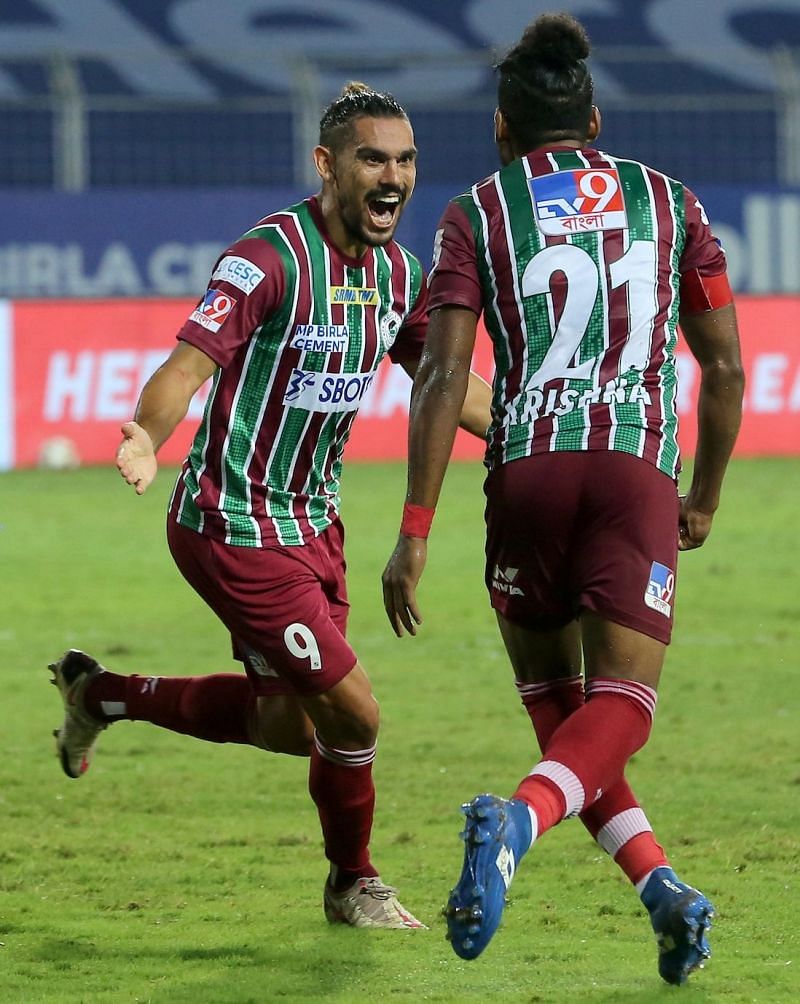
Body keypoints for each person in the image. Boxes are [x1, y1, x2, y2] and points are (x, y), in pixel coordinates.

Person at [49, 82, 491, 930]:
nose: (391, 176)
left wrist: (526, 427)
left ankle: (101, 695)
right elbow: (185, 368)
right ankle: (352, 884)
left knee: (291, 726)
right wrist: (145, 433)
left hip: (315, 527)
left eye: (404, 160)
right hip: (233, 525)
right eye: (371, 158)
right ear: (327, 165)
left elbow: (441, 380)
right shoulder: (269, 260)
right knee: (354, 710)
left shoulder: (401, 273)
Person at [382, 13, 744, 983]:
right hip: (629, 469)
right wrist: (699, 495)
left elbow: (440, 371)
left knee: (558, 714)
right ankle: (515, 822)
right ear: (589, 119)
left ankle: (661, 890)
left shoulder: (475, 211)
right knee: (618, 707)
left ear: (501, 130)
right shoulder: (668, 201)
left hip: (525, 467)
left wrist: (413, 531)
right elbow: (722, 366)